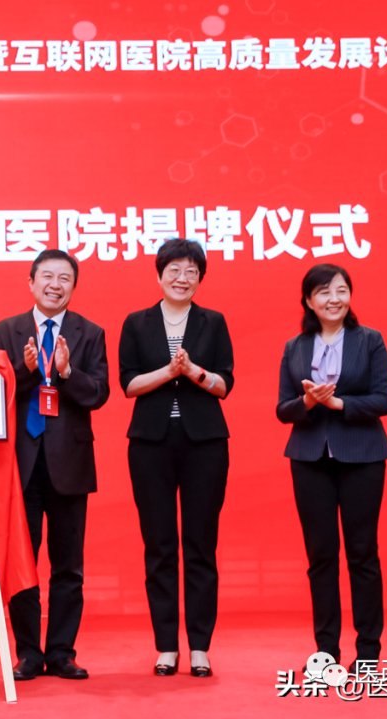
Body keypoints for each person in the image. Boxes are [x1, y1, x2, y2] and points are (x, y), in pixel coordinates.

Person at [0, 249, 110, 681]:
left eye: (65, 278)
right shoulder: (4, 332)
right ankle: (27, 653)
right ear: (31, 282)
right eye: (47, 276)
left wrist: (67, 371)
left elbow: (98, 394)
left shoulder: (89, 333)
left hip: (69, 463)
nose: (55, 285)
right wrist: (24, 371)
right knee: (21, 563)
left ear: (74, 286)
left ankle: (61, 652)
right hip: (19, 465)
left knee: (68, 566)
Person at [118, 238, 234, 678]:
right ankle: (166, 646)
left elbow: (225, 384)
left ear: (200, 278)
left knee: (201, 545)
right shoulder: (137, 322)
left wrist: (194, 372)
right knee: (160, 546)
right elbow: (128, 385)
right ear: (159, 274)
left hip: (205, 444)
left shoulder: (213, 321)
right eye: (174, 270)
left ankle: (200, 647)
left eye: (191, 271)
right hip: (150, 444)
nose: (182, 278)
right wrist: (169, 371)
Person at [277, 264, 387, 672]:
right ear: (309, 301)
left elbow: (386, 399)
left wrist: (340, 404)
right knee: (321, 557)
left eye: (341, 290)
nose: (334, 299)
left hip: (362, 455)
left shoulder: (370, 340)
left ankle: (368, 652)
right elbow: (283, 409)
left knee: (362, 553)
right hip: (309, 458)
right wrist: (308, 404)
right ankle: (326, 649)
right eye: (324, 292)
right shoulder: (295, 346)